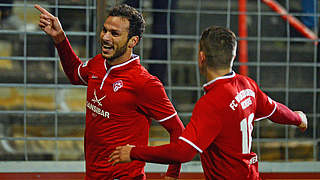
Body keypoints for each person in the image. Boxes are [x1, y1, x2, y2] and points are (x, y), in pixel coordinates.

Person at [109, 26, 308, 180]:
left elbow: (184, 151)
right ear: (233, 56)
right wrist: (298, 118)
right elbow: (275, 110)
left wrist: (134, 152)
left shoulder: (212, 103)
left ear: (201, 57)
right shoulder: (247, 86)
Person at [35, 4, 184, 180]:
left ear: (133, 41)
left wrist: (172, 175)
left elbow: (178, 131)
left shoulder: (145, 83)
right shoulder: (97, 63)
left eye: (114, 33)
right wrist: (60, 39)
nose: (105, 37)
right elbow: (75, 75)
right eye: (104, 30)